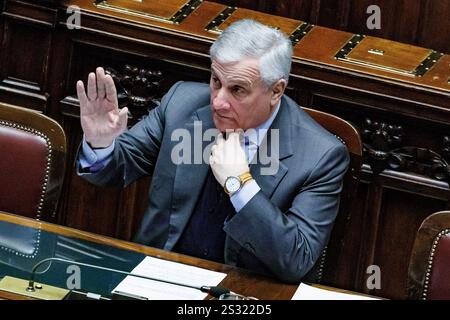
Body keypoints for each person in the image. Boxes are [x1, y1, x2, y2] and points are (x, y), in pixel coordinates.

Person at [76, 19, 349, 283]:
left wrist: (239, 184)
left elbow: (296, 261)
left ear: (276, 91)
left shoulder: (320, 156)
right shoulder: (181, 104)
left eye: (237, 90)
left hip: (243, 294)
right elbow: (116, 170)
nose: (218, 102)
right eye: (216, 81)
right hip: (157, 280)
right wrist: (100, 143)